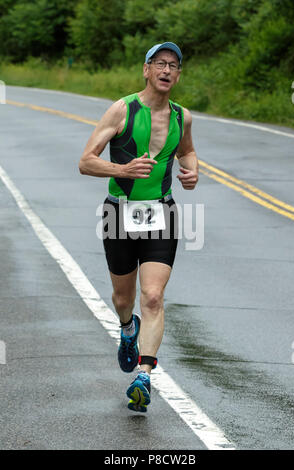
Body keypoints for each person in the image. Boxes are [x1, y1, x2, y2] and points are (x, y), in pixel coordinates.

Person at [79, 42, 198, 412]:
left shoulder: (183, 117)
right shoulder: (122, 109)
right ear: (146, 70)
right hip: (119, 213)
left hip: (162, 214)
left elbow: (187, 152)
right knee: (123, 299)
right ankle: (127, 329)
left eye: (173, 65)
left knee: (153, 297)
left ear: (178, 75)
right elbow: (85, 161)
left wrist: (193, 170)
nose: (166, 70)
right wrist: (123, 170)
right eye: (159, 64)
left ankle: (144, 375)